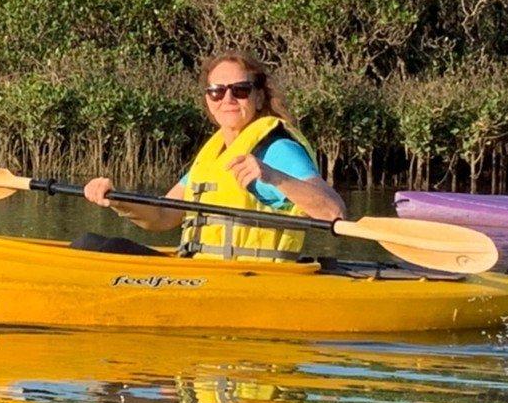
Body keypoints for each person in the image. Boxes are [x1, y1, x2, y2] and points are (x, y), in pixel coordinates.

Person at [82, 52, 346, 261]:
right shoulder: (213, 155)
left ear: (257, 97)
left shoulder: (278, 150)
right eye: (217, 91)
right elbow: (163, 215)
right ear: (208, 100)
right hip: (204, 268)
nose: (228, 98)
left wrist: (274, 176)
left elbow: (335, 212)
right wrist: (115, 199)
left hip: (254, 279)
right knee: (91, 243)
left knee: (107, 247)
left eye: (240, 90)